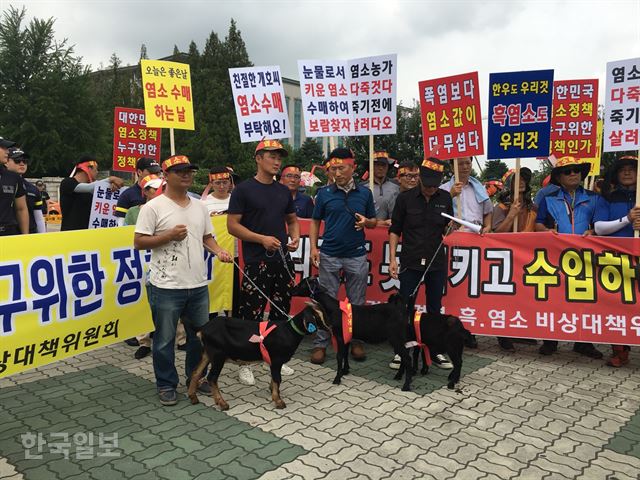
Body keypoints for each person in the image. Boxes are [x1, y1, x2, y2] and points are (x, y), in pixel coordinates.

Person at [134, 154, 232, 406]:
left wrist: (218, 250)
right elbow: (139, 242)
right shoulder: (152, 208)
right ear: (166, 176)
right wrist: (167, 236)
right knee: (165, 340)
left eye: (190, 171)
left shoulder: (200, 206)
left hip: (198, 285)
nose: (187, 175)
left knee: (199, 338)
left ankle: (195, 378)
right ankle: (166, 383)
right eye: (180, 171)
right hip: (166, 286)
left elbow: (207, 237)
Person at [227, 139, 300, 385]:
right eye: (272, 156)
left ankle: (276, 356)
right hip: (256, 261)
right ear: (258, 158)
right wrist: (260, 239)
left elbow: (292, 219)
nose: (277, 161)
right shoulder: (244, 190)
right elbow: (232, 226)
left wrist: (295, 236)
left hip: (281, 260)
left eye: (279, 157)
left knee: (281, 310)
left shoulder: (282, 190)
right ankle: (244, 361)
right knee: (251, 313)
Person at [309, 147, 377, 364]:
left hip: (356, 255)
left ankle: (355, 340)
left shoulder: (365, 193)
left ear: (353, 167)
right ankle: (321, 342)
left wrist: (367, 222)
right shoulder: (324, 194)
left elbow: (374, 221)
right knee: (325, 300)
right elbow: (315, 221)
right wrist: (313, 247)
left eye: (342, 168)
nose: (337, 173)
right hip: (329, 254)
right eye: (333, 169)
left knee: (356, 302)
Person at [535, 156, 604, 359]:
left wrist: (594, 231)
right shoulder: (548, 200)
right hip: (556, 257)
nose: (573, 173)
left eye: (576, 170)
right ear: (559, 177)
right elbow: (538, 224)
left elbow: (600, 224)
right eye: (567, 171)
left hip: (586, 257)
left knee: (585, 299)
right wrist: (546, 231)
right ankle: (550, 340)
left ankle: (583, 342)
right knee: (554, 298)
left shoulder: (595, 198)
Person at [389, 156, 454, 369]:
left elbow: (447, 227)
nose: (430, 189)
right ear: (420, 179)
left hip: (436, 261)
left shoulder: (445, 197)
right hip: (411, 260)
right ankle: (402, 349)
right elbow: (394, 230)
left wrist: (452, 228)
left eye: (435, 185)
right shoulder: (405, 199)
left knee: (435, 307)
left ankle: (435, 350)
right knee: (405, 306)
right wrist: (392, 259)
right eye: (427, 185)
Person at [441, 156, 492, 349]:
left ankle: (470, 332)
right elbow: (438, 213)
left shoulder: (479, 188)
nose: (464, 167)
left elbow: (488, 212)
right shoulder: (445, 189)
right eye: (460, 163)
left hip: (476, 242)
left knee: (473, 289)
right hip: (453, 242)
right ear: (453, 165)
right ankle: (450, 330)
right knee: (454, 288)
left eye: (467, 163)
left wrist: (487, 226)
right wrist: (451, 196)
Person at [594, 155, 640, 367]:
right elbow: (599, 228)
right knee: (616, 305)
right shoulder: (608, 198)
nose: (628, 172)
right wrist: (627, 219)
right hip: (615, 259)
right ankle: (619, 351)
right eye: (623, 169)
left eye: (632, 168)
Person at [491, 167, 538, 352]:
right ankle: (503, 335)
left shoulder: (533, 207)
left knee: (524, 296)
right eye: (517, 179)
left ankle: (521, 331)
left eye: (524, 178)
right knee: (506, 297)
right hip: (506, 258)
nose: (522, 182)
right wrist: (511, 215)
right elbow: (496, 233)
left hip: (528, 257)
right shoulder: (501, 208)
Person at [60, 155, 124, 231]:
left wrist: (113, 186)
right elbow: (88, 188)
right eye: (96, 169)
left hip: (88, 234)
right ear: (89, 168)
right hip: (69, 234)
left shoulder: (94, 189)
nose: (97, 172)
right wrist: (109, 179)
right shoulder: (67, 183)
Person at [6, 148, 46, 233]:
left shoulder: (33, 189)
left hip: (29, 234)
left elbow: (38, 218)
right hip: (7, 235)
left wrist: (43, 236)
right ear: (6, 162)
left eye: (25, 161)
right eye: (17, 160)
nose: (22, 163)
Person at [115, 157, 162, 226]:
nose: (156, 176)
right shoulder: (127, 195)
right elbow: (121, 224)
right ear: (139, 172)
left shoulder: (165, 192)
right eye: (152, 172)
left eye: (158, 173)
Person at [0, 137, 29, 236]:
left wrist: (25, 236)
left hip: (8, 233)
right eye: (3, 147)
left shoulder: (14, 177)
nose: (7, 151)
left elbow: (21, 209)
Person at [363, 151, 399, 226]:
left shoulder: (396, 187)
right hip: (368, 231)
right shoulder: (362, 188)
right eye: (377, 165)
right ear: (371, 167)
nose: (381, 168)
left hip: (392, 230)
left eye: (384, 165)